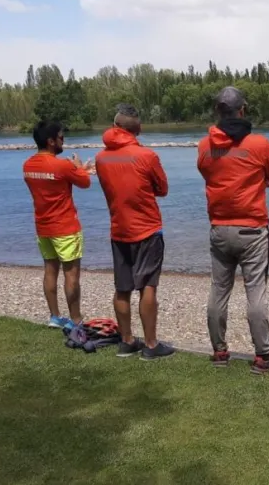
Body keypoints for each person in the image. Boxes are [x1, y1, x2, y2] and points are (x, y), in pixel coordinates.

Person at [197, 86, 269, 374]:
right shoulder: (260, 145)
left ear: (218, 113)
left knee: (219, 290)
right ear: (242, 110)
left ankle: (219, 351)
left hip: (220, 227)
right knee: (255, 291)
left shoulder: (204, 147)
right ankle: (263, 356)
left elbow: (207, 172)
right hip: (252, 229)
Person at [95, 104, 175, 361]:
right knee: (148, 286)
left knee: (122, 287)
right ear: (136, 128)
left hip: (118, 230)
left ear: (115, 126)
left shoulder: (101, 158)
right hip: (146, 229)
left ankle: (127, 341)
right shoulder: (146, 156)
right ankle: (150, 345)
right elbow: (162, 189)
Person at [22, 120, 93, 330]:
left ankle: (54, 316)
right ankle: (76, 319)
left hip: (43, 226)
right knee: (71, 275)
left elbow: (64, 178)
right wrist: (80, 168)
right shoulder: (63, 165)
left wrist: (79, 171)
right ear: (51, 141)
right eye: (61, 137)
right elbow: (85, 183)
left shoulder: (28, 165)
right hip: (65, 227)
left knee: (50, 270)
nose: (64, 141)